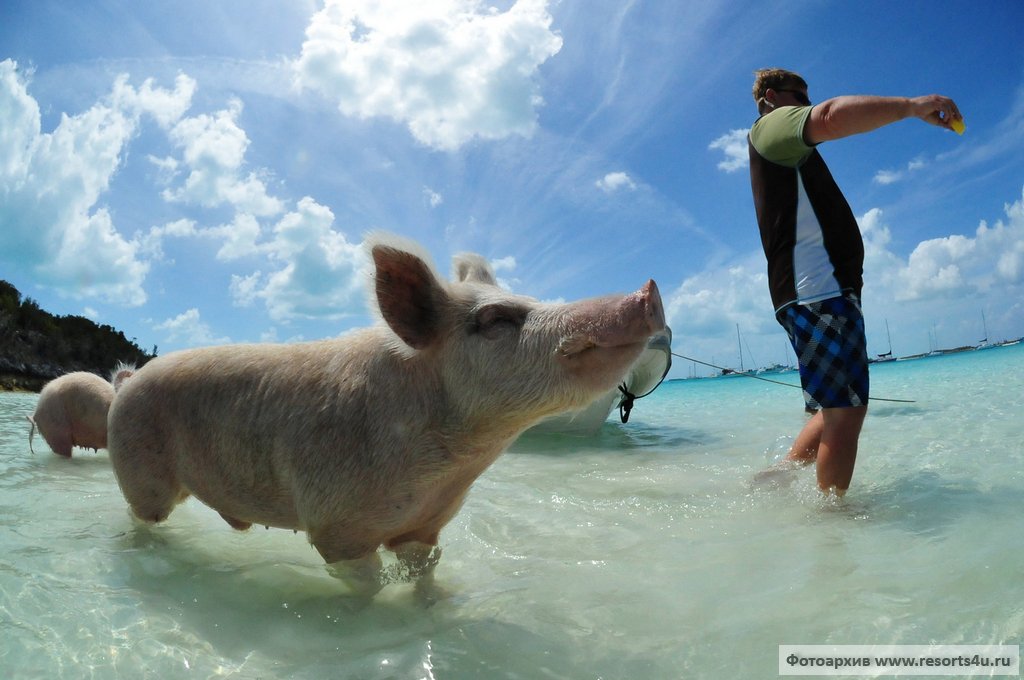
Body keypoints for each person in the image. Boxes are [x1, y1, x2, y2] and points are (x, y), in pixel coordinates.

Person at [747, 68, 961, 496]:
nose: (806, 103)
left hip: (816, 291)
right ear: (771, 97)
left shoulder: (784, 148)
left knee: (832, 409)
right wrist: (911, 107)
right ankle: (832, 529)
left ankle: (774, 482)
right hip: (818, 290)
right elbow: (828, 117)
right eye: (798, 96)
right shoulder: (771, 128)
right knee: (846, 411)